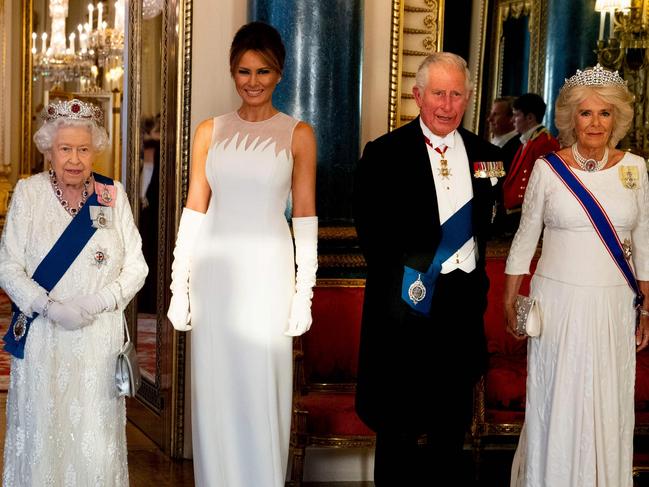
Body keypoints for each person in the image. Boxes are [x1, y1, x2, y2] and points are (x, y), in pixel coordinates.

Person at [166, 22, 317, 486]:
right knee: (216, 391)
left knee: (261, 390)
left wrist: (303, 293)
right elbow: (195, 208)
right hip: (216, 276)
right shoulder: (209, 131)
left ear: (280, 73)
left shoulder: (298, 134)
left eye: (264, 71)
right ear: (232, 72)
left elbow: (306, 217)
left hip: (270, 276)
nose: (253, 81)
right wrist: (179, 285)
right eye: (244, 71)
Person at [353, 52, 503, 484]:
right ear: (418, 96)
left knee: (448, 433)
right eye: (438, 93)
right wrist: (416, 279)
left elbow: (490, 225)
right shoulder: (383, 154)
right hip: (407, 306)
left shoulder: (487, 155)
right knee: (398, 431)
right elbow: (373, 234)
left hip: (460, 311)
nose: (447, 104)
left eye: (457, 94)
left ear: (468, 98)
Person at [504, 65, 649, 486]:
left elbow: (644, 241)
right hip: (559, 305)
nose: (596, 123)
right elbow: (525, 239)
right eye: (586, 113)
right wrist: (510, 300)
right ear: (571, 118)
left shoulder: (635, 169)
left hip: (613, 304)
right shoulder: (549, 169)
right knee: (560, 399)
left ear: (617, 119)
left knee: (606, 402)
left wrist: (645, 311)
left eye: (605, 114)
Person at [0, 98, 148, 485]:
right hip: (43, 340)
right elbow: (7, 267)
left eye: (83, 149)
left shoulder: (111, 196)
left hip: (98, 341)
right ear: (49, 149)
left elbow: (137, 267)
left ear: (95, 149)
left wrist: (100, 300)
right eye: (65, 148)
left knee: (94, 440)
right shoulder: (29, 194)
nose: (74, 159)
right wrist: (49, 308)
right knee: (43, 436)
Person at [502, 93, 559, 234]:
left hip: (527, 214)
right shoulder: (528, 141)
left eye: (516, 115)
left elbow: (547, 185)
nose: (513, 120)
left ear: (530, 118)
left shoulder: (545, 142)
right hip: (515, 214)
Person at [487, 96, 521, 237]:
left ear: (511, 118)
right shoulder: (496, 144)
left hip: (503, 219)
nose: (489, 119)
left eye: (496, 114)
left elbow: (493, 178)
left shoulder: (517, 146)